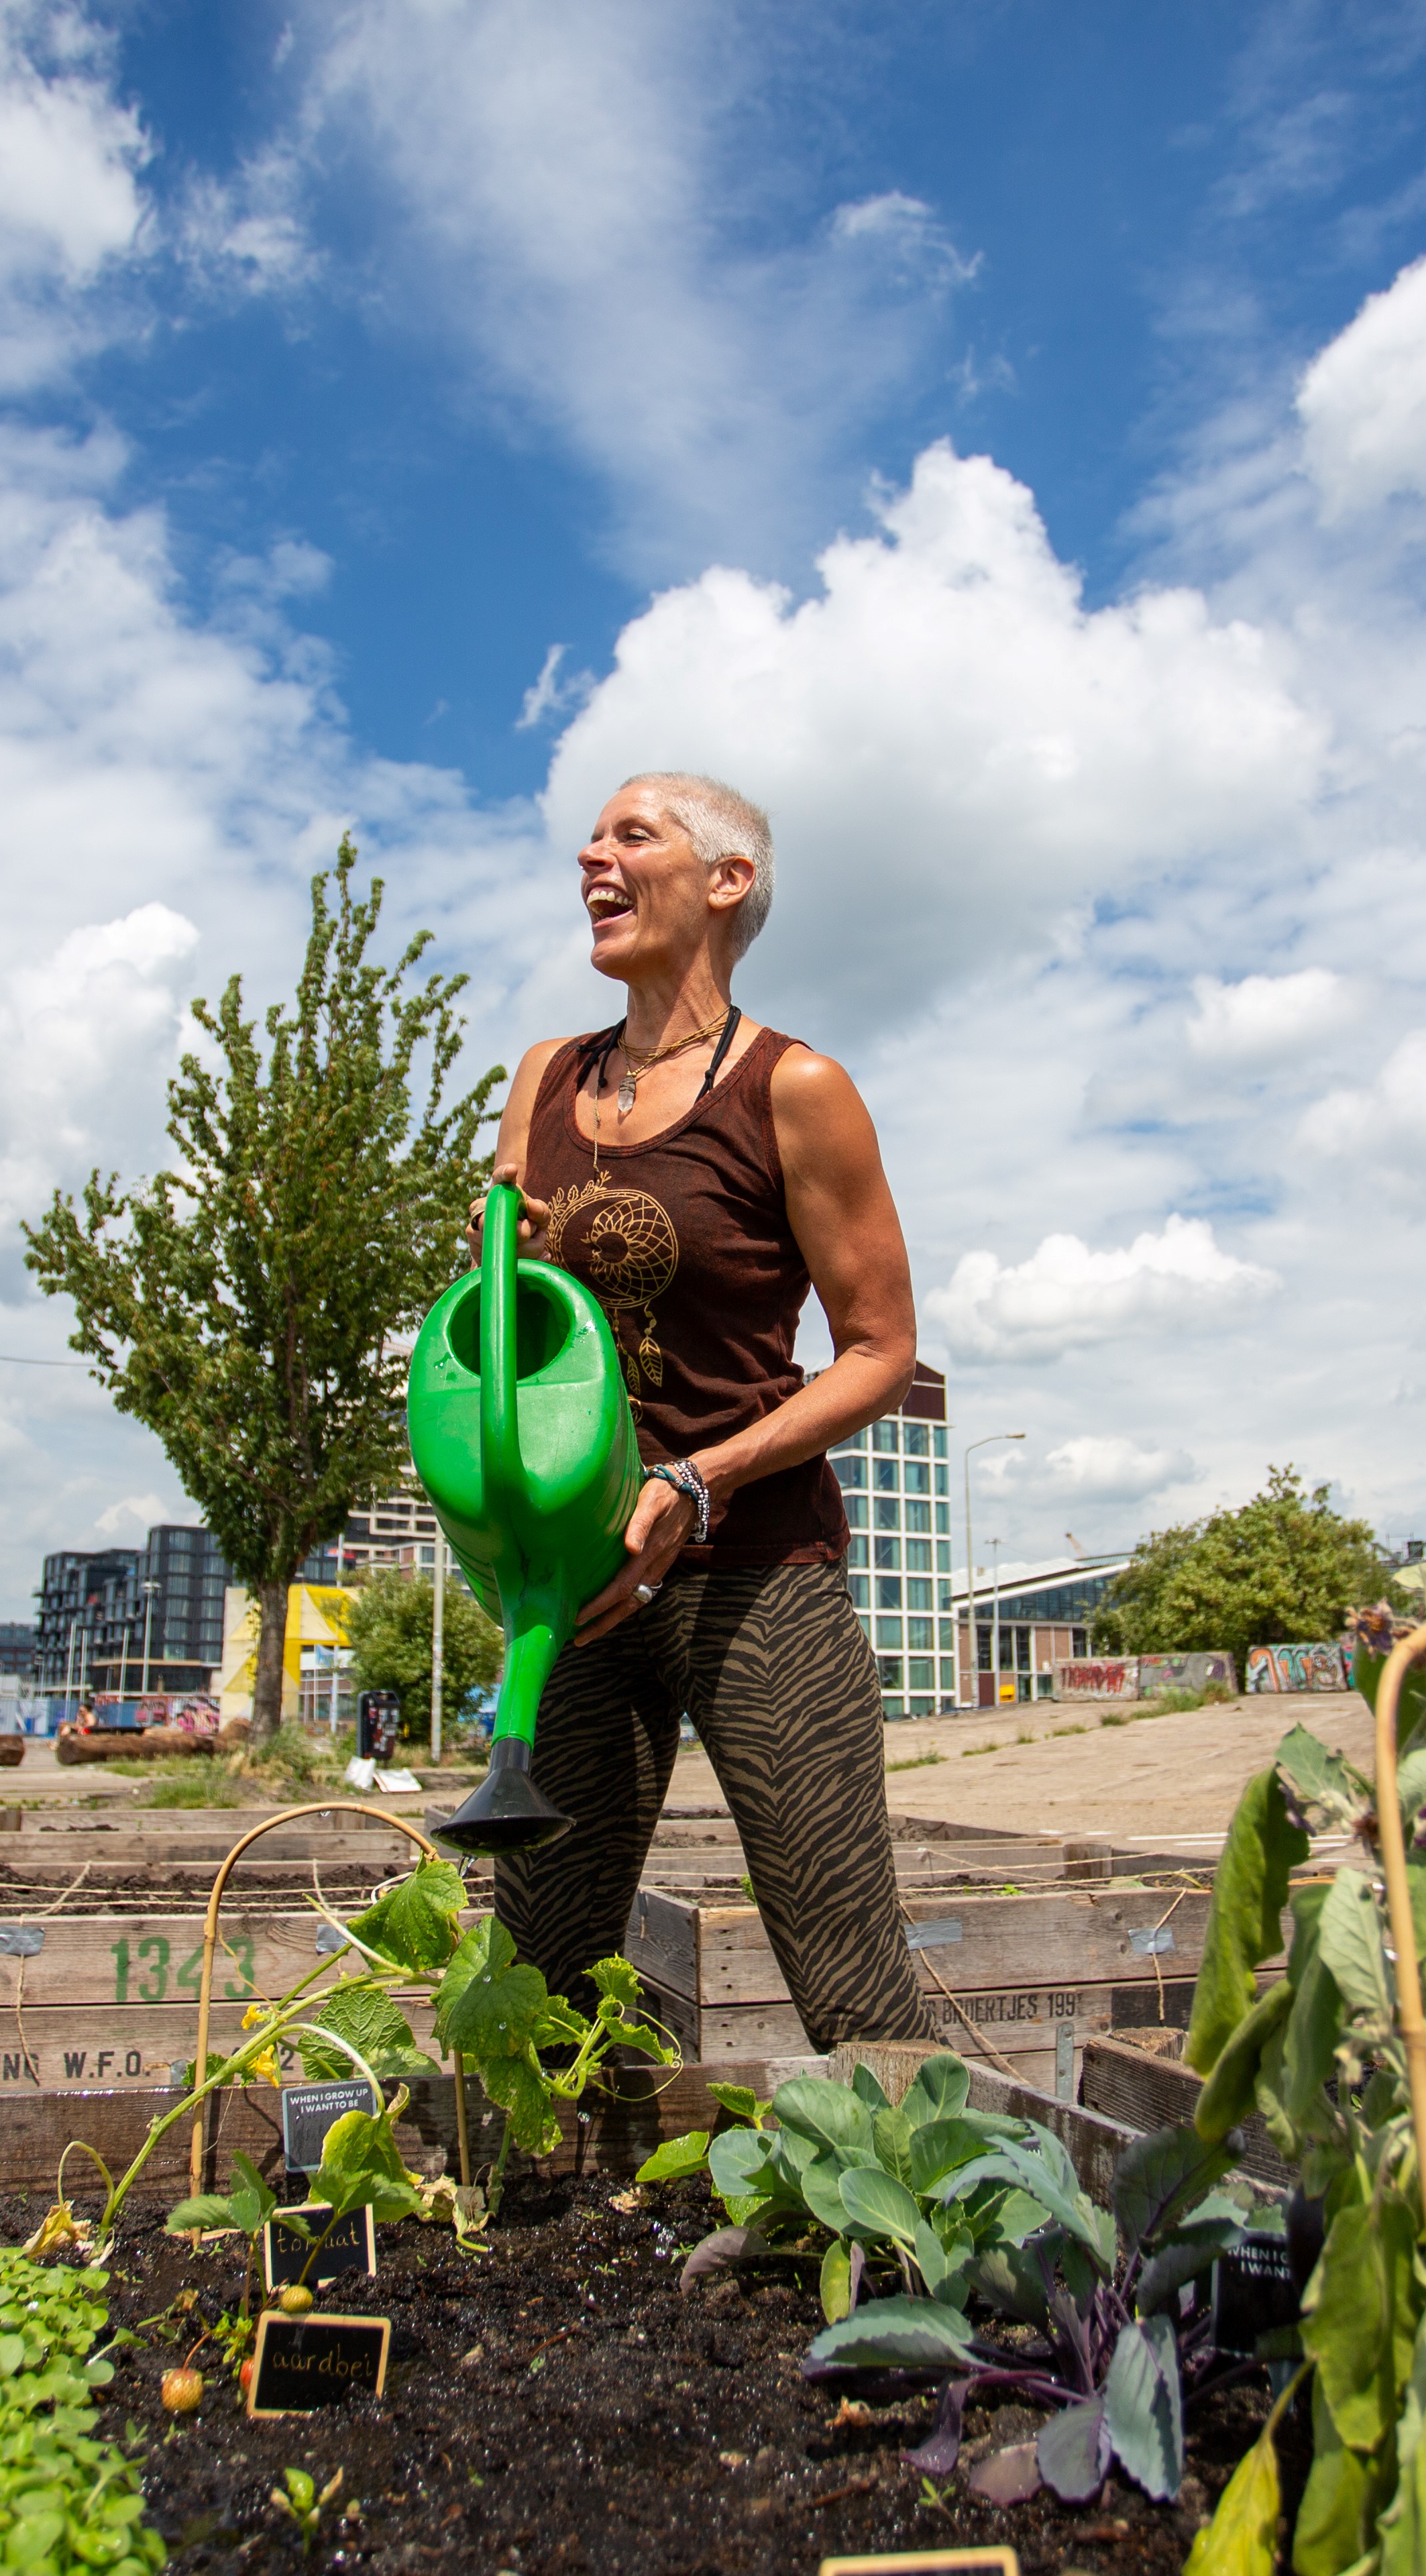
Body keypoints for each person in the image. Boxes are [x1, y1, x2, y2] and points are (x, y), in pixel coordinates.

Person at [485, 771, 934, 2051]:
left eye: (633, 835)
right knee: (536, 1979)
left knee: (849, 1982)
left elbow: (882, 1353)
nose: (592, 856)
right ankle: (557, 2181)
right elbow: (509, 1329)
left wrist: (701, 1478)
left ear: (727, 881)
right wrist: (498, 1261)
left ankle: (934, 2190)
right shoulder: (544, 1075)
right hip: (580, 1585)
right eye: (590, 837)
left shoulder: (796, 1088)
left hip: (754, 1576)